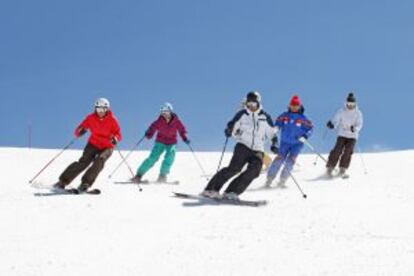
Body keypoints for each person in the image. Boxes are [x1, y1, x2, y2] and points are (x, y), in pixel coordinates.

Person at [201, 91, 277, 200]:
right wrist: (229, 130)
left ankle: (231, 192)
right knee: (234, 169)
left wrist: (275, 143)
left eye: (254, 104)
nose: (251, 106)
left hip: (258, 149)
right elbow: (232, 124)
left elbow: (272, 132)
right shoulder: (242, 114)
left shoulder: (265, 117)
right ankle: (211, 189)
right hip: (243, 145)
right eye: (249, 104)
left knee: (255, 170)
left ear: (259, 103)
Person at [53, 98, 122, 192]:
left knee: (100, 160)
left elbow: (119, 134)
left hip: (107, 146)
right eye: (98, 109)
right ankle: (63, 181)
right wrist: (80, 131)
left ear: (107, 109)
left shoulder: (112, 120)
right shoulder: (91, 118)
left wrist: (115, 138)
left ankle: (85, 183)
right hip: (93, 143)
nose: (100, 112)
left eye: (103, 109)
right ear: (95, 109)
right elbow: (79, 128)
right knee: (84, 162)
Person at [131, 103, 189, 183]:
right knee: (153, 158)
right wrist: (148, 133)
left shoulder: (177, 121)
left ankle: (162, 175)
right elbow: (152, 128)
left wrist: (185, 138)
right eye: (163, 112)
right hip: (160, 142)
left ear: (170, 112)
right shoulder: (159, 121)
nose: (165, 114)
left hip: (171, 142)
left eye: (166, 112)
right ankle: (139, 175)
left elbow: (182, 130)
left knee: (170, 156)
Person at [265, 95, 313, 188]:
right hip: (285, 142)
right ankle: (270, 178)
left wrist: (305, 135)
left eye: (296, 105)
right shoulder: (285, 116)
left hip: (297, 144)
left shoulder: (303, 118)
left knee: (290, 161)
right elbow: (278, 122)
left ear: (300, 106)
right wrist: (276, 128)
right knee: (279, 159)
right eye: (293, 105)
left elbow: (310, 128)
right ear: (289, 106)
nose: (294, 107)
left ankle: (283, 180)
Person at [326, 93, 363, 177]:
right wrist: (332, 125)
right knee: (337, 149)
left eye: (352, 104)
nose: (350, 106)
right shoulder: (341, 111)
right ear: (346, 103)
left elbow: (360, 124)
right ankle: (330, 167)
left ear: (355, 104)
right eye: (349, 104)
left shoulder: (358, 113)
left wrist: (355, 129)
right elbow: (336, 120)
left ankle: (343, 168)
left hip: (352, 136)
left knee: (348, 151)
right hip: (342, 133)